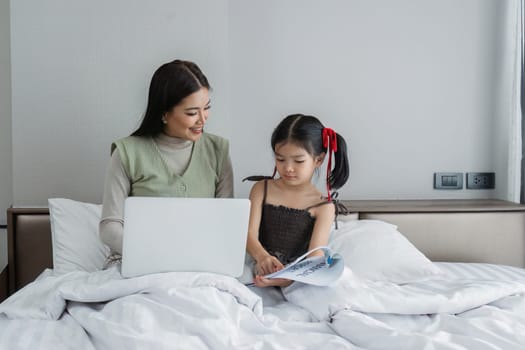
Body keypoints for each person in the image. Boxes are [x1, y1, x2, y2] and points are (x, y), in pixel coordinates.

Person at [99, 59, 234, 259]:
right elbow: (109, 228)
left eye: (207, 107)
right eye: (191, 112)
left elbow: (225, 221)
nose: (203, 119)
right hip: (140, 263)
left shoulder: (218, 151)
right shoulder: (127, 152)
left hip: (199, 264)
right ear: (164, 113)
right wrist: (156, 254)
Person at [245, 113, 349, 288]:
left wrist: (286, 279)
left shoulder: (323, 206)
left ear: (319, 159)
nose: (288, 168)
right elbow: (248, 234)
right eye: (280, 159)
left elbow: (314, 259)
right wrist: (262, 257)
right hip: (257, 264)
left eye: (298, 161)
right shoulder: (261, 188)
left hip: (296, 276)